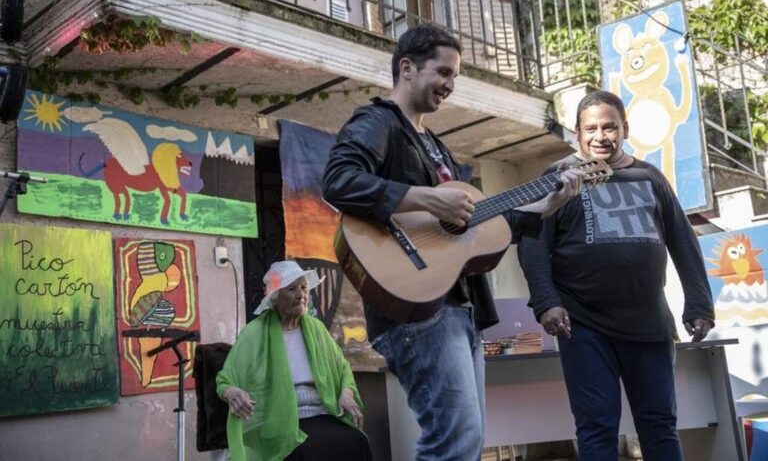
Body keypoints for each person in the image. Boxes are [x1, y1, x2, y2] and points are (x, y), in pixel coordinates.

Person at [322, 24, 582, 460]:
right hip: (417, 308)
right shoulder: (378, 121)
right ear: (407, 68)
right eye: (442, 72)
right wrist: (428, 199)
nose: (449, 85)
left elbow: (480, 226)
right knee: (454, 443)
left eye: (454, 76)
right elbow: (338, 181)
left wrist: (549, 203)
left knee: (466, 444)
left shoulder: (437, 147)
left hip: (458, 308)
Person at [517, 90, 716, 461]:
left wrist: (699, 304)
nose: (600, 136)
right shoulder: (559, 176)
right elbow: (531, 242)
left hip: (649, 322)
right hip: (583, 324)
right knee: (596, 427)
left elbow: (683, 241)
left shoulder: (650, 176)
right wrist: (547, 303)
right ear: (577, 132)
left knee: (659, 425)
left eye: (610, 127)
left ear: (625, 128)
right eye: (591, 128)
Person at [216, 260, 371, 461]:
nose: (301, 295)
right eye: (292, 289)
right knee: (303, 450)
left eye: (304, 288)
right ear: (275, 297)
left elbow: (342, 369)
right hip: (278, 419)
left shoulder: (316, 329)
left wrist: (346, 393)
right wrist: (232, 392)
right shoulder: (254, 333)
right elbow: (225, 380)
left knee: (357, 440)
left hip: (321, 412)